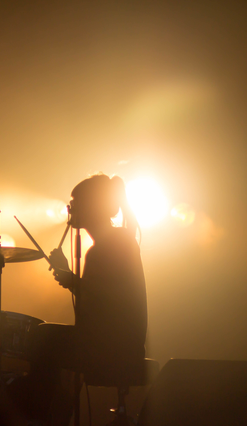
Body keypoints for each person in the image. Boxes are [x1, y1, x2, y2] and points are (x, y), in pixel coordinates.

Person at [15, 173, 148, 425]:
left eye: (75, 201)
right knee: (49, 338)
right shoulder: (117, 241)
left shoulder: (107, 247)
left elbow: (104, 301)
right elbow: (100, 297)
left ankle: (38, 411)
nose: (70, 207)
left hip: (113, 347)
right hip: (119, 342)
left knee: (43, 336)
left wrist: (70, 278)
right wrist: (70, 278)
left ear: (91, 206)